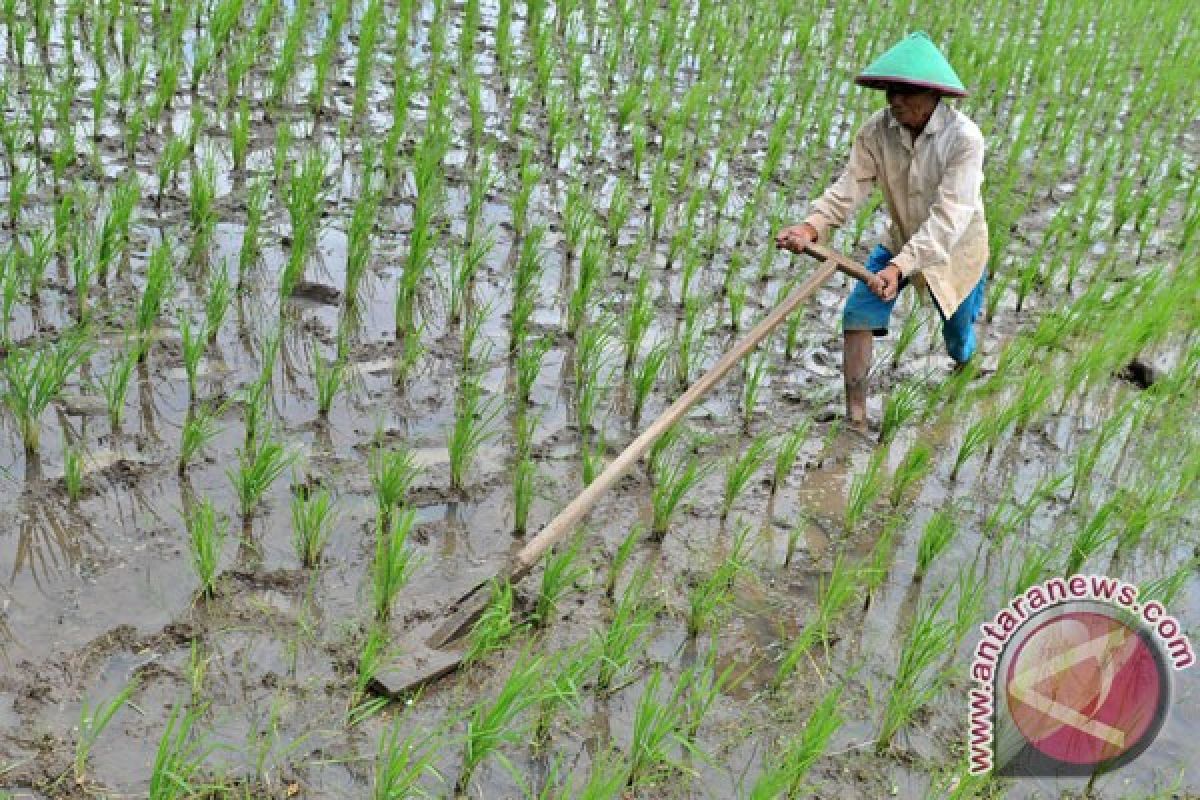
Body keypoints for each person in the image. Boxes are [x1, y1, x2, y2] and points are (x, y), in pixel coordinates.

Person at [775, 31, 989, 434]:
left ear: (931, 95)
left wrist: (901, 268)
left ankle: (965, 365)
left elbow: (949, 218)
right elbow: (850, 185)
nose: (894, 101)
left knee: (957, 334)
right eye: (890, 91)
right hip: (901, 239)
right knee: (857, 314)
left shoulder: (964, 140)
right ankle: (855, 419)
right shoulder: (878, 130)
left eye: (904, 92)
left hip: (956, 252)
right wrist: (811, 226)